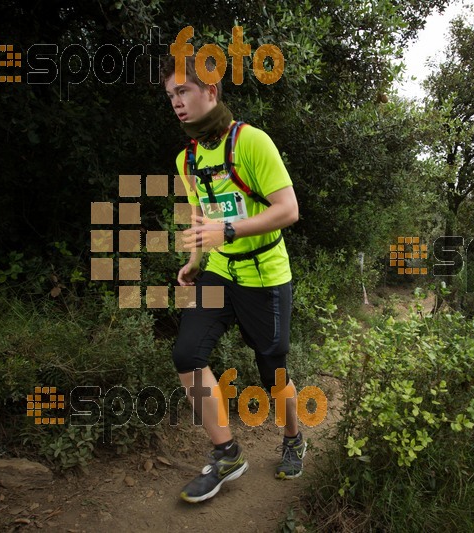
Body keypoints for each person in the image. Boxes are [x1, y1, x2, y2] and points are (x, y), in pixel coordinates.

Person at [161, 55, 305, 504]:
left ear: (211, 92)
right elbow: (202, 213)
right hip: (221, 271)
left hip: (265, 274)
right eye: (171, 96)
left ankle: (293, 438)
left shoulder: (251, 142)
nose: (177, 103)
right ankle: (226, 453)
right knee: (186, 353)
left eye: (183, 91)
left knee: (272, 371)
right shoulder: (187, 157)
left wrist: (228, 231)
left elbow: (288, 210)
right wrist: (196, 258)